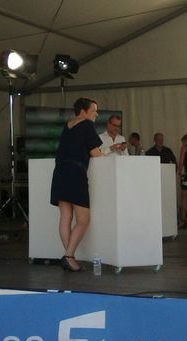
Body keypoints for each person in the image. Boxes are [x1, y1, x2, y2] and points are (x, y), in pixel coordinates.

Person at [50, 98, 103, 272]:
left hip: (60, 173)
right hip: (75, 173)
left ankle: (69, 257)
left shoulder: (68, 125)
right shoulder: (87, 125)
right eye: (94, 110)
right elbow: (95, 152)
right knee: (83, 219)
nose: (96, 113)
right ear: (83, 111)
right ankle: (69, 256)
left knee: (65, 217)